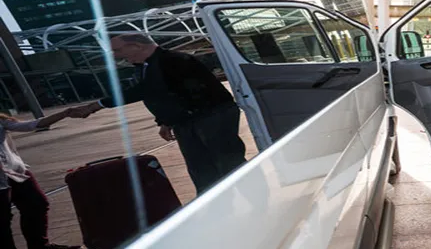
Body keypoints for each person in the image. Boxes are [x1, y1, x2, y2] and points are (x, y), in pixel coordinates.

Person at [73, 34, 247, 195]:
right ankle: (214, 204)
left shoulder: (173, 60)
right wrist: (165, 121)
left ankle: (254, 194)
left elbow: (149, 90)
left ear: (136, 46)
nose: (115, 55)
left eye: (117, 50)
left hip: (209, 116)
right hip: (188, 120)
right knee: (200, 166)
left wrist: (98, 104)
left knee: (227, 160)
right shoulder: (147, 65)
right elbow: (163, 95)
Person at [1, 109, 82, 249]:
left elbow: (33, 124)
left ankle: (40, 246)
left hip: (17, 172)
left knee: (37, 205)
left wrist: (65, 113)